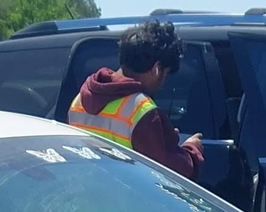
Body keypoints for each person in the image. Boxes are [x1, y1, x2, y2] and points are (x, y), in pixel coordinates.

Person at [67, 19, 204, 179]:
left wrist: (159, 136)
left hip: (87, 194)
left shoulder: (79, 101)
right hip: (124, 200)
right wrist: (192, 151)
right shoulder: (141, 110)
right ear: (157, 69)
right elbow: (170, 174)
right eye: (165, 74)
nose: (162, 82)